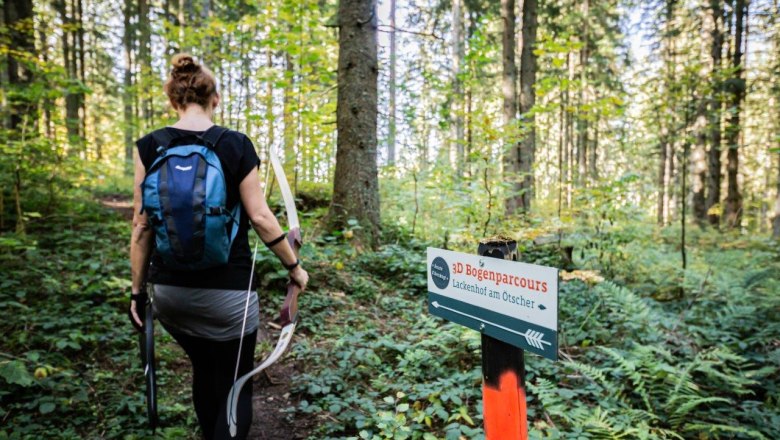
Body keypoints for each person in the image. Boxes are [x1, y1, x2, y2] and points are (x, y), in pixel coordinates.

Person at [128, 53, 309, 440]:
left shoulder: (148, 146)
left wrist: (137, 293)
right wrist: (294, 268)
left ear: (174, 100)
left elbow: (141, 228)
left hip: (171, 295)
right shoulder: (235, 145)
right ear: (216, 98)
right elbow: (260, 217)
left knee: (204, 370)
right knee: (233, 383)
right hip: (229, 297)